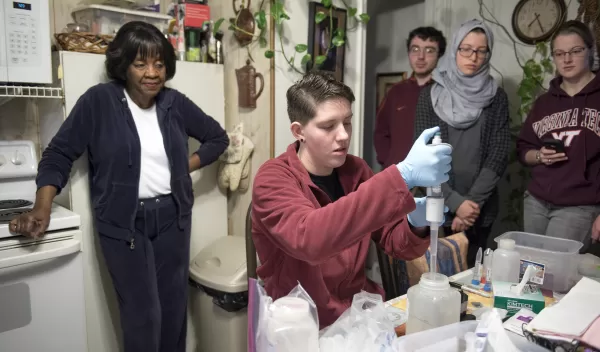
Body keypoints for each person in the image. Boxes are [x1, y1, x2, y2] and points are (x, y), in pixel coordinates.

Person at [9, 21, 229, 352]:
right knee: (144, 318)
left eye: (159, 63)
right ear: (123, 66)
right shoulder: (99, 101)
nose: (152, 73)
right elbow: (59, 154)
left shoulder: (174, 104)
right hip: (124, 226)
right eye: (140, 64)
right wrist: (42, 207)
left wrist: (182, 168)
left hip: (173, 220)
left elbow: (217, 138)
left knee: (172, 316)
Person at [251, 71, 452, 328]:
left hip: (357, 312)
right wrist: (401, 176)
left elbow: (395, 243)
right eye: (328, 126)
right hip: (301, 322)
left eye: (347, 122)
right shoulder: (273, 178)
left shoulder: (356, 170)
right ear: (298, 131)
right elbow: (310, 239)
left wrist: (415, 224)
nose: (344, 135)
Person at [413, 19, 510, 266]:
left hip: (480, 207)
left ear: (488, 53)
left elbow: (498, 153)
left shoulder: (496, 97)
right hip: (437, 205)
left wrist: (471, 206)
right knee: (436, 277)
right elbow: (425, 158)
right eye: (465, 48)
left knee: (472, 284)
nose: (473, 56)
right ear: (455, 50)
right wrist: (455, 203)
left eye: (480, 50)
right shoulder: (430, 95)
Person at [517, 20, 600, 249]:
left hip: (579, 205)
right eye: (559, 53)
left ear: (590, 51)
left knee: (554, 274)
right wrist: (539, 156)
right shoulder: (544, 103)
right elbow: (523, 149)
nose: (567, 59)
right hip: (536, 201)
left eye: (575, 51)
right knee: (531, 269)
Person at [374, 26, 447, 168]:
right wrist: (389, 162)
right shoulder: (395, 92)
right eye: (415, 49)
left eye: (429, 50)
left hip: (434, 177)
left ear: (440, 55)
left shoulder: (446, 92)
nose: (420, 56)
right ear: (408, 53)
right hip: (398, 175)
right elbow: (381, 132)